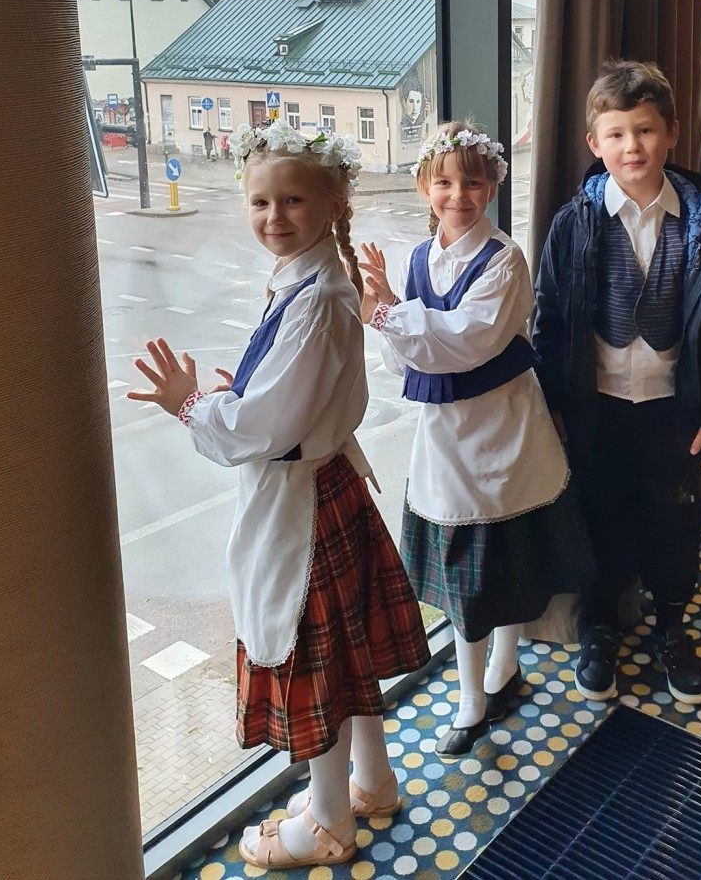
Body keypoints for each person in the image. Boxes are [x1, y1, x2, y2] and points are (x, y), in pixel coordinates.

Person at [127, 119, 429, 870]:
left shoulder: (317, 296)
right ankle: (373, 781)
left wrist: (191, 404)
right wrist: (248, 394)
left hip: (304, 503)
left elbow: (260, 430)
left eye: (293, 200)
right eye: (261, 202)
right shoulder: (312, 278)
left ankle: (329, 823)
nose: (274, 216)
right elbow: (289, 400)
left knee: (316, 664)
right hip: (328, 488)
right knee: (346, 652)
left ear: (333, 204)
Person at [360, 121, 589, 759]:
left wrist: (389, 312)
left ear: (492, 188)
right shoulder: (417, 260)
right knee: (467, 571)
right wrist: (384, 318)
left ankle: (504, 665)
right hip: (447, 439)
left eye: (473, 182)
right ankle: (470, 696)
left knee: (508, 554)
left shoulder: (505, 259)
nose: (457, 194)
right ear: (424, 187)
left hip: (504, 427)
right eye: (444, 182)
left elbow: (468, 340)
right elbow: (409, 359)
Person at [532, 60, 701, 706]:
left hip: (673, 408)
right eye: (618, 134)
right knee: (600, 517)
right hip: (595, 408)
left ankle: (672, 628)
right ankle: (601, 627)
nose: (634, 146)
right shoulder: (574, 223)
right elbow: (549, 321)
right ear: (595, 144)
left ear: (672, 133)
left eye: (647, 130)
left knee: (673, 522)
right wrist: (554, 407)